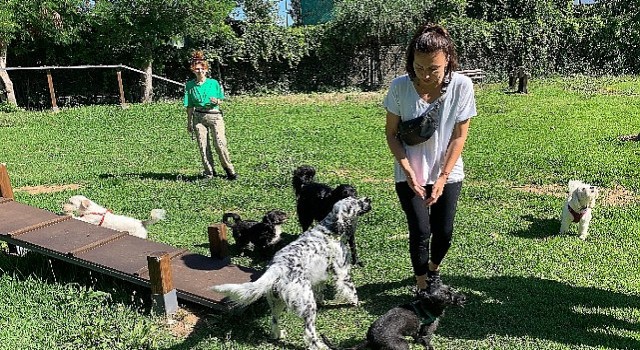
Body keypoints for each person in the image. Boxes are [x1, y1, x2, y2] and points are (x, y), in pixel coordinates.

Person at [383, 23, 476, 293]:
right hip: (409, 173)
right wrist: (408, 172)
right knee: (421, 231)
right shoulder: (400, 87)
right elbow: (391, 134)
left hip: (447, 170)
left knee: (444, 233)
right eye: (419, 67)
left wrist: (443, 178)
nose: (425, 75)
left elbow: (459, 136)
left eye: (433, 68)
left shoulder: (461, 86)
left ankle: (433, 269)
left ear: (447, 60)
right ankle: (422, 285)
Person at [184, 50, 237, 180]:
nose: (200, 71)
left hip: (215, 116)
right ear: (193, 70)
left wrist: (217, 101)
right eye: (197, 69)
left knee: (220, 144)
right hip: (199, 117)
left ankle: (229, 170)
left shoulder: (213, 83)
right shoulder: (190, 85)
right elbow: (189, 106)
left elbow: (220, 99)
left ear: (206, 69)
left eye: (202, 68)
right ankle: (209, 172)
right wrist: (189, 122)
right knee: (203, 146)